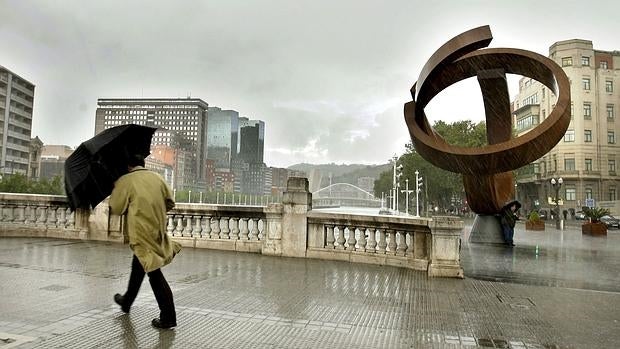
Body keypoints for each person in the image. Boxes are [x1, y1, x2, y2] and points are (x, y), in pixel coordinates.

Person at [109, 154, 181, 329]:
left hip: (141, 234)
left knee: (154, 273)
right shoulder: (157, 178)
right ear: (143, 164)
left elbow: (116, 208)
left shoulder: (127, 180)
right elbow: (170, 202)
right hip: (157, 231)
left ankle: (168, 317)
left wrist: (117, 189)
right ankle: (127, 301)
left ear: (128, 166)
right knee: (139, 266)